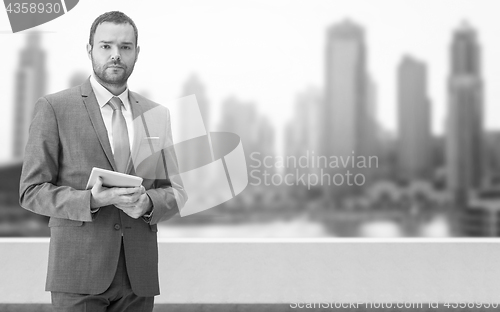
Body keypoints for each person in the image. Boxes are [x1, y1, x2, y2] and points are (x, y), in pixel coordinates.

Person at [19, 11, 187, 312]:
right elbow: (30, 191)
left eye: (125, 47)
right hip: (78, 274)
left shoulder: (156, 115)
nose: (115, 55)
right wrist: (90, 200)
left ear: (136, 52)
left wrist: (148, 203)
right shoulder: (54, 108)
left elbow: (175, 191)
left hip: (138, 276)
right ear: (90, 50)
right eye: (106, 46)